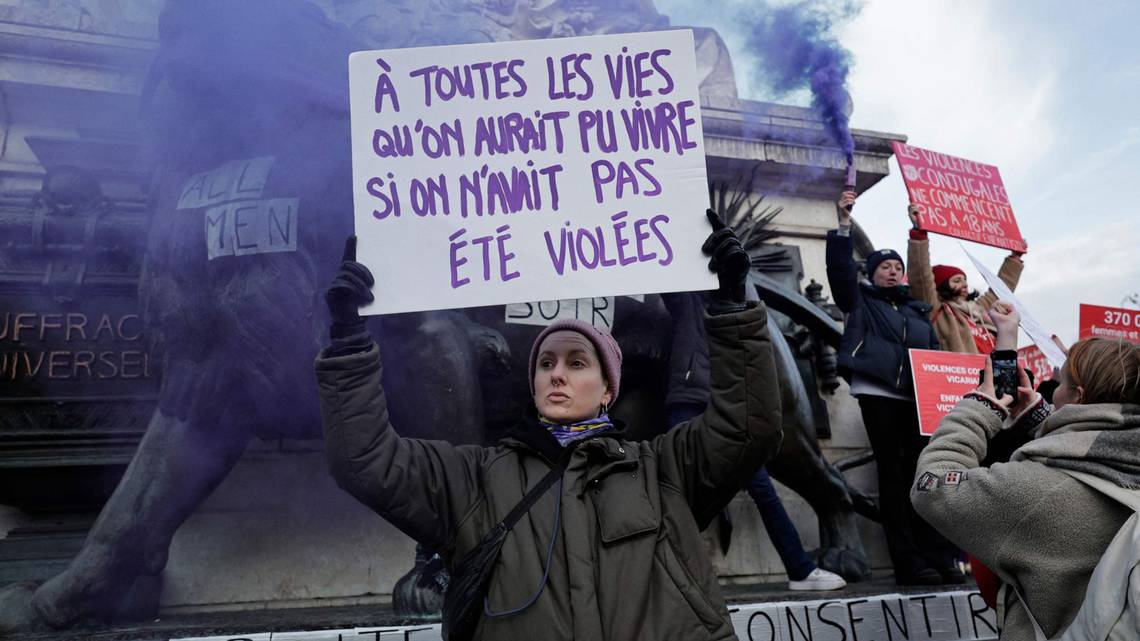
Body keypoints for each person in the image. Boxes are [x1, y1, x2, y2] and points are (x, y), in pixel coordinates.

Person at [316, 212, 783, 641]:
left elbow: (747, 428)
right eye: (545, 362)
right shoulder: (474, 480)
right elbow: (364, 460)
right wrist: (350, 341)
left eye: (577, 362)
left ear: (607, 390)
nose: (557, 373)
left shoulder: (664, 471)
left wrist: (730, 310)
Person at [912, 305, 1140, 640]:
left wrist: (977, 409)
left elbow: (932, 486)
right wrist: (1045, 417)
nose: (1053, 392)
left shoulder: (1032, 492)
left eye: (1059, 383)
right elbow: (1096, 446)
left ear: (1078, 397)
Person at [662, 291, 845, 591]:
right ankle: (667, 580)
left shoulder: (739, 304)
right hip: (690, 401)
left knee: (763, 490)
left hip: (728, 410)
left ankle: (800, 570)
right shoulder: (688, 298)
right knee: (675, 494)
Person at [825, 190, 959, 585]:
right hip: (880, 394)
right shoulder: (859, 301)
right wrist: (843, 225)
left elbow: (934, 351)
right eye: (883, 266)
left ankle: (938, 555)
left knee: (926, 475)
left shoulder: (919, 312)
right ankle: (908, 561)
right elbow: (838, 273)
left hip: (920, 400)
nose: (892, 271)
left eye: (896, 266)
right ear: (870, 273)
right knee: (895, 476)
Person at [906, 204, 1025, 354]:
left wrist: (1014, 258)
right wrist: (919, 234)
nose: (964, 284)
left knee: (1007, 374)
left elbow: (1000, 289)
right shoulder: (938, 310)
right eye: (956, 281)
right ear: (941, 285)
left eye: (964, 279)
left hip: (996, 374)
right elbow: (921, 276)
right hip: (962, 376)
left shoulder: (980, 309)